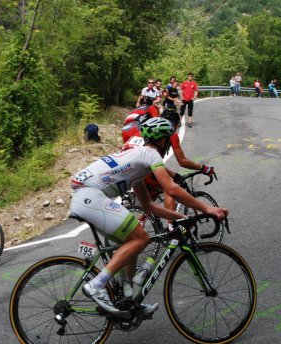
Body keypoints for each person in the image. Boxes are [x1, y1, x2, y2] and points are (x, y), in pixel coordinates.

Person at [70, 117, 228, 316]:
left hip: (85, 197)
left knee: (132, 242)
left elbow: (148, 206)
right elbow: (172, 189)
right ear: (162, 141)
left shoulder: (136, 161)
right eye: (168, 141)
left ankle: (128, 302)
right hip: (91, 197)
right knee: (141, 237)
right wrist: (207, 209)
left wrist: (180, 216)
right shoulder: (150, 154)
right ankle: (96, 285)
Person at [122, 108, 215, 229]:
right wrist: (204, 168)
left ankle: (139, 223)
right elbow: (183, 161)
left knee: (151, 198)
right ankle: (172, 226)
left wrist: (173, 174)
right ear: (175, 124)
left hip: (128, 165)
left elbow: (152, 163)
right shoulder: (168, 131)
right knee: (168, 187)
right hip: (141, 166)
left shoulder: (148, 128)